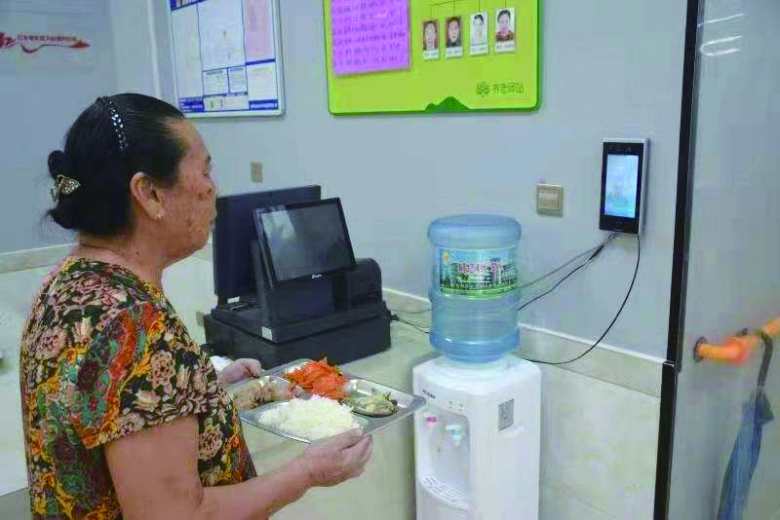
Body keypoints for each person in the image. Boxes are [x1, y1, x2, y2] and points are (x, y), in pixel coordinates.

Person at [20, 93, 373, 519]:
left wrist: (203, 389)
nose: (212, 189)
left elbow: (114, 406)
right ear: (149, 193)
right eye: (204, 171)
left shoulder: (63, 285)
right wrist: (308, 472)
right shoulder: (136, 325)